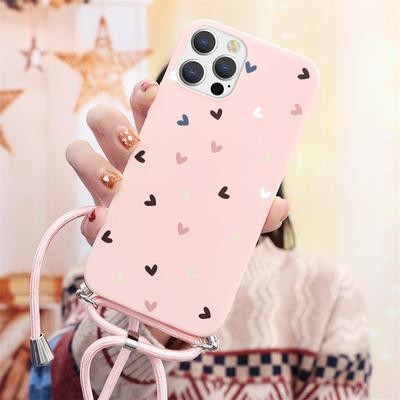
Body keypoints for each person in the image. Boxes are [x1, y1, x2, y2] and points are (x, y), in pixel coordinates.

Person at [29, 71, 372, 399]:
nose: (210, 152)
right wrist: (148, 291)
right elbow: (64, 392)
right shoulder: (95, 280)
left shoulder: (326, 291)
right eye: (188, 125)